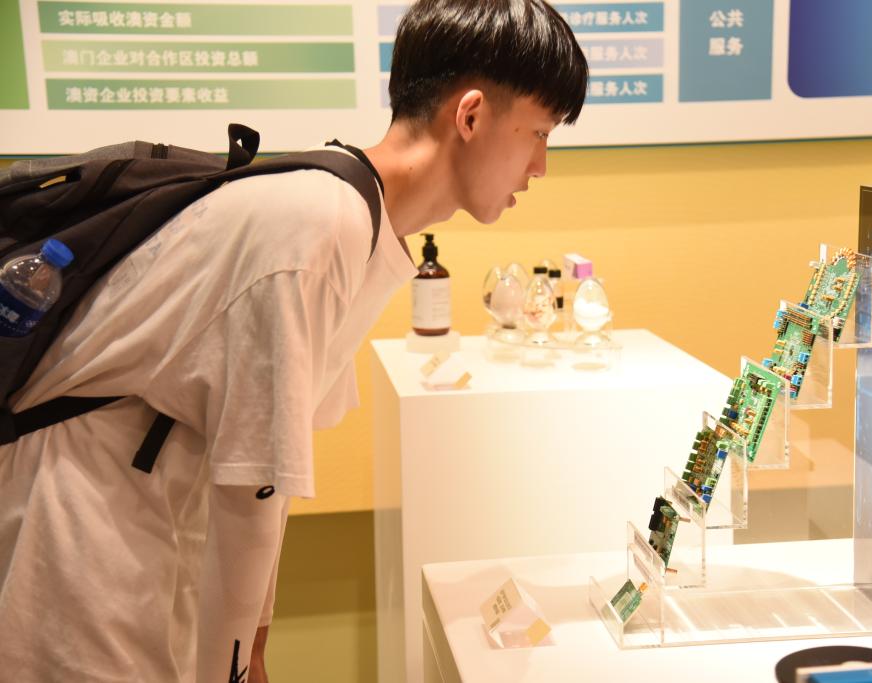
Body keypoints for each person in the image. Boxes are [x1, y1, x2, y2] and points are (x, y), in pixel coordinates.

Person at [0, 0, 587, 680]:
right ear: (472, 115)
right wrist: (237, 662)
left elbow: (268, 469)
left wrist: (252, 637)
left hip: (136, 509)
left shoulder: (355, 213)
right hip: (75, 519)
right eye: (538, 132)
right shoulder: (320, 221)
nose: (540, 166)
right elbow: (252, 484)